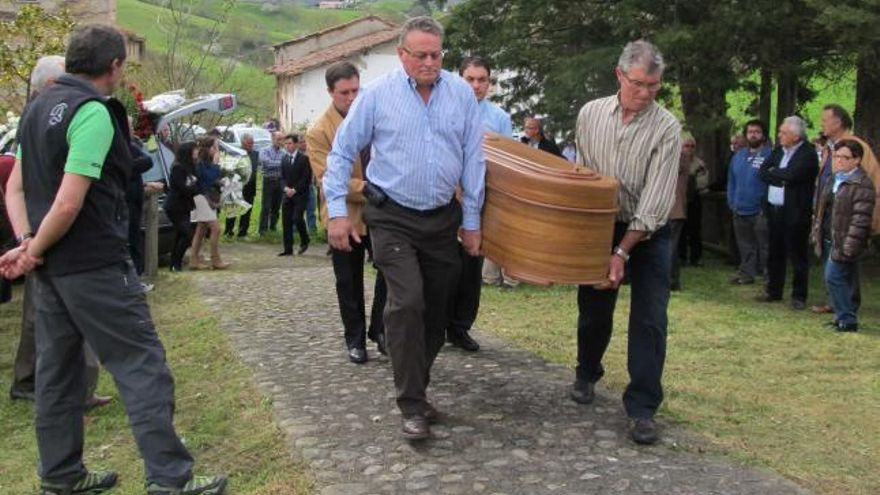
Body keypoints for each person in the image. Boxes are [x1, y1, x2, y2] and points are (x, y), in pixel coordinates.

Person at [0, 25, 226, 494]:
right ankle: (170, 478)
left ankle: (61, 476)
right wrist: (33, 249)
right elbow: (68, 202)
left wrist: (27, 243)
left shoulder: (36, 108)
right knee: (141, 364)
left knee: (57, 374)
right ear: (115, 66)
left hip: (49, 269)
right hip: (93, 264)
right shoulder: (94, 112)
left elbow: (16, 186)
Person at [324, 16, 485, 441]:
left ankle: (418, 385)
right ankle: (411, 403)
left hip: (441, 218)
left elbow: (474, 160)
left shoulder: (460, 96)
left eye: (436, 54)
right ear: (402, 55)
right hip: (392, 216)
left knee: (436, 309)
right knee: (407, 301)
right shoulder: (377, 96)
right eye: (421, 55)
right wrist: (337, 213)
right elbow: (340, 154)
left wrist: (472, 222)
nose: (430, 62)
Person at [572, 40, 681, 446]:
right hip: (601, 226)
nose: (647, 92)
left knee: (650, 319)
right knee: (594, 310)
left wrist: (623, 252)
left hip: (649, 233)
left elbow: (656, 201)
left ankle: (642, 407)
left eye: (655, 85)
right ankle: (586, 371)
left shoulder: (667, 127)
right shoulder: (590, 114)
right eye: (639, 83)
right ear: (620, 76)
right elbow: (581, 176)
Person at [8, 54, 110, 410]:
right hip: (53, 227)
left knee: (47, 314)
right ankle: (58, 389)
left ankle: (49, 386)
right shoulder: (52, 115)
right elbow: (36, 187)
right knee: (55, 315)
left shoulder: (44, 114)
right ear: (52, 84)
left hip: (45, 226)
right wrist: (31, 242)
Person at [307, 61, 388, 363]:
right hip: (346, 213)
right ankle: (354, 338)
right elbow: (326, 176)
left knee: (391, 270)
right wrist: (365, 187)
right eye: (345, 92)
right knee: (348, 280)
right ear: (331, 93)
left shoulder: (374, 116)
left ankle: (379, 329)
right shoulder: (319, 131)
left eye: (356, 89)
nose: (352, 97)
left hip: (383, 211)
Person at [444, 55, 513, 353]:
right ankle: (437, 324)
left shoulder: (499, 118)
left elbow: (507, 165)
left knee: (471, 269)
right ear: (459, 79)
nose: (476, 85)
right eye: (469, 79)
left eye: (482, 79)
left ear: (489, 83)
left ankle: (461, 327)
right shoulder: (444, 110)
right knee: (444, 267)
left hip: (481, 203)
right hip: (446, 201)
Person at [810, 105, 880, 315]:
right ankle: (835, 302)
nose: (822, 123)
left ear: (838, 122)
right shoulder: (829, 148)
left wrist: (870, 218)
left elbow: (871, 182)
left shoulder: (856, 147)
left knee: (845, 257)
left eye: (825, 120)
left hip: (849, 214)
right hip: (829, 211)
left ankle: (847, 305)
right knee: (830, 257)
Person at [757, 116, 818, 310]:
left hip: (796, 212)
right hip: (774, 210)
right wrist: (781, 176)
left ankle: (799, 296)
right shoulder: (777, 151)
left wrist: (778, 174)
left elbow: (793, 175)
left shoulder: (807, 153)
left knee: (797, 255)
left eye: (783, 132)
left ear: (795, 135)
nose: (779, 135)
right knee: (775, 253)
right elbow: (762, 172)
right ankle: (773, 290)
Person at [728, 119, 771, 285]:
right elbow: (731, 180)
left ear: (763, 135)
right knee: (745, 245)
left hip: (760, 210)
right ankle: (746, 274)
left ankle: (769, 277)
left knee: (765, 246)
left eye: (757, 131)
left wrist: (765, 206)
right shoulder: (738, 156)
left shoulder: (770, 155)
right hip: (739, 209)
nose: (753, 134)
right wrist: (732, 202)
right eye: (750, 132)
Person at [189, 136, 230, 270]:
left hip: (206, 198)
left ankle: (193, 260)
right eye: (214, 147)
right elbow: (207, 179)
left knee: (201, 229)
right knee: (216, 228)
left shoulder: (207, 163)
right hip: (201, 198)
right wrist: (216, 164)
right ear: (207, 149)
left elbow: (215, 179)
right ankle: (215, 259)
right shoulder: (200, 163)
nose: (216, 150)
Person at [163, 142, 199, 272]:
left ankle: (175, 263)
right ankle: (175, 262)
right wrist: (194, 188)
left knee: (180, 234)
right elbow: (181, 188)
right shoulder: (178, 168)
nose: (197, 152)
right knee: (188, 234)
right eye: (194, 150)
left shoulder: (191, 167)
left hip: (186, 206)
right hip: (175, 206)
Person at [279, 134, 311, 256]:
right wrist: (285, 188)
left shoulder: (303, 159)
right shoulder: (284, 159)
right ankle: (288, 248)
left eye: (290, 143)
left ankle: (305, 239)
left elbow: (306, 178)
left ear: (296, 144)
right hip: (287, 194)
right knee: (286, 221)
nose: (288, 146)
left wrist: (295, 189)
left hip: (300, 194)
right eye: (286, 144)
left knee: (297, 218)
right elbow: (281, 177)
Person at [678, 136, 708, 267]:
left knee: (695, 229)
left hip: (694, 200)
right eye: (686, 145)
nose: (689, 148)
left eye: (692, 146)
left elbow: (702, 183)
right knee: (680, 230)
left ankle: (696, 258)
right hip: (678, 201)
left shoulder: (699, 164)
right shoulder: (675, 162)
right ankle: (681, 257)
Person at [224, 133, 259, 238]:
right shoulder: (235, 153)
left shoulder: (255, 154)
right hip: (236, 184)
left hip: (250, 185)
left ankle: (243, 231)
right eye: (249, 143)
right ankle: (229, 231)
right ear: (243, 143)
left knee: (247, 208)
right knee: (233, 208)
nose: (251, 145)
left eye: (252, 143)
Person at [669, 140, 690, 291]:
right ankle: (672, 280)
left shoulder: (681, 155)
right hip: (666, 210)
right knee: (670, 247)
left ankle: (671, 280)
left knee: (670, 247)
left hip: (674, 210)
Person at [258, 131, 285, 234]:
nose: (280, 141)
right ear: (272, 139)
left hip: (280, 182)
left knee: (276, 206)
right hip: (268, 181)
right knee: (266, 206)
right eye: (278, 139)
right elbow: (266, 163)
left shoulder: (284, 152)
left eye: (282, 139)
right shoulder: (264, 150)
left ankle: (273, 227)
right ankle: (263, 230)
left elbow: (285, 164)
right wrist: (280, 163)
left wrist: (278, 164)